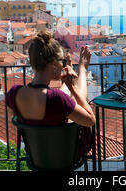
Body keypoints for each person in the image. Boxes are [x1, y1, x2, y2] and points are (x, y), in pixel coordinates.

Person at [6, 30, 96, 161]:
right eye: (62, 61)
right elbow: (90, 121)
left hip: (36, 157)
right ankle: (82, 70)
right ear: (53, 63)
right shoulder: (56, 99)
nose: (63, 64)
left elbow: (50, 101)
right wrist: (78, 74)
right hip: (64, 158)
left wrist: (67, 82)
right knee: (75, 103)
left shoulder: (14, 93)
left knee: (68, 102)